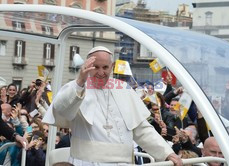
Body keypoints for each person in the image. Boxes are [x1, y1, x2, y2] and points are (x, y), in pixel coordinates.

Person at [43, 46, 182, 166]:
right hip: (87, 162)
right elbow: (62, 109)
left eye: (105, 67)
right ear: (87, 66)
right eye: (95, 67)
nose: (101, 72)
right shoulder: (75, 88)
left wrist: (167, 153)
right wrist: (80, 81)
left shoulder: (124, 89)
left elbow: (142, 130)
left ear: (112, 66)